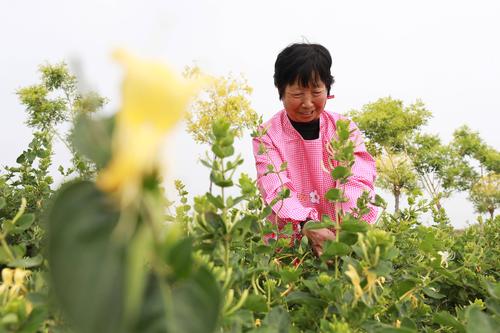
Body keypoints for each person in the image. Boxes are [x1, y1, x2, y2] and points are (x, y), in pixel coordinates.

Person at [252, 43, 378, 256]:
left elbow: (358, 179)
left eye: (316, 92)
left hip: (341, 239)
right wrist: (307, 224)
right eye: (298, 94)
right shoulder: (267, 135)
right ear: (280, 91)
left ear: (328, 89)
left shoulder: (344, 129)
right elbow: (275, 187)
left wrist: (344, 231)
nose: (308, 103)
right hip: (289, 242)